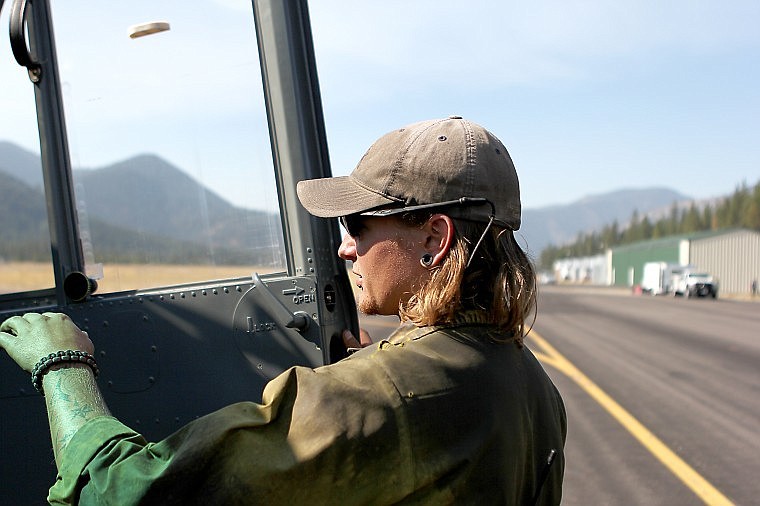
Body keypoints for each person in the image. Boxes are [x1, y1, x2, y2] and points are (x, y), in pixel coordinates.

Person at [0, 116, 566, 504]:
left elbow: (123, 493)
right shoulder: (534, 386)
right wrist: (382, 369)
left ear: (434, 238)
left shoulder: (378, 398)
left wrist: (62, 367)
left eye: (358, 225)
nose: (345, 247)